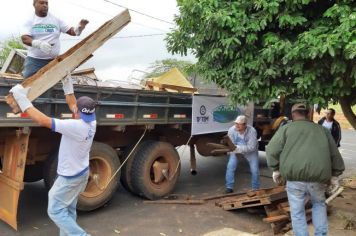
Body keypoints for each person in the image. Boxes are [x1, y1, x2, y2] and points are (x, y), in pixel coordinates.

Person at [9, 79, 96, 236]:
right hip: (81, 173)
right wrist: (67, 82)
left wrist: (20, 97)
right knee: (68, 208)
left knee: (55, 210)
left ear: (77, 112)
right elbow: (73, 105)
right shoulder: (92, 122)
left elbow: (42, 120)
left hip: (71, 177)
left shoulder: (75, 126)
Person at [266, 103, 345, 236]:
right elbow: (334, 154)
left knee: (297, 212)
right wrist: (335, 175)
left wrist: (275, 169)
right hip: (318, 180)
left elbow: (272, 150)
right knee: (319, 205)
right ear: (308, 113)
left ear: (293, 114)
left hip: (294, 180)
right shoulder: (322, 130)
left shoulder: (286, 129)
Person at [21, 0, 89, 113]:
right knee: (27, 86)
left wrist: (79, 28)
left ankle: (74, 110)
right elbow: (24, 38)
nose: (45, 5)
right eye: (41, 3)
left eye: (46, 3)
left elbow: (71, 31)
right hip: (34, 60)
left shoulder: (55, 19)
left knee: (67, 82)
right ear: (34, 4)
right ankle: (25, 109)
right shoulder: (29, 20)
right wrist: (38, 44)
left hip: (54, 60)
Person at [225, 115, 260, 193]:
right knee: (230, 166)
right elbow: (231, 144)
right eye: (236, 123)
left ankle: (256, 188)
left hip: (250, 152)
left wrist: (237, 147)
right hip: (236, 149)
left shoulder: (252, 131)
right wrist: (234, 148)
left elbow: (251, 147)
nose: (236, 125)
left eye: (239, 124)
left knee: (255, 170)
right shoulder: (231, 130)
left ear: (245, 124)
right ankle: (229, 187)